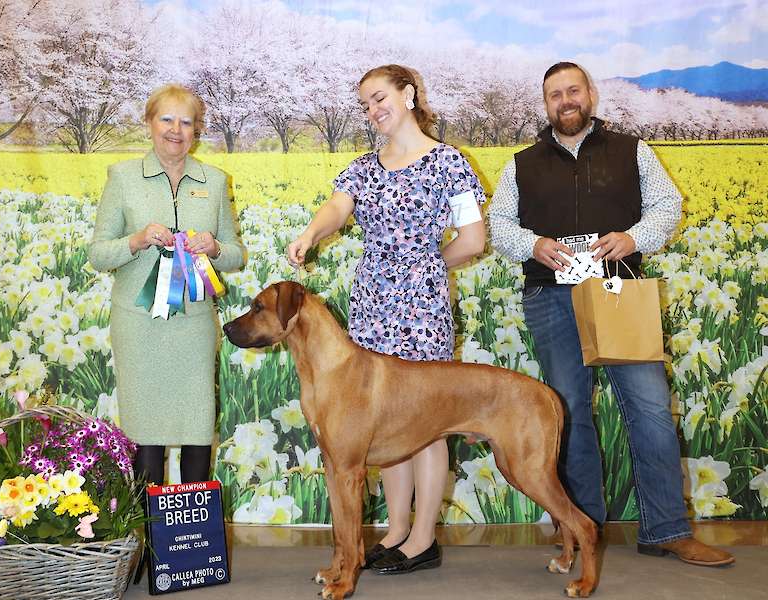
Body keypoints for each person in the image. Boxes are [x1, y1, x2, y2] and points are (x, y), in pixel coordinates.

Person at [489, 62, 734, 566]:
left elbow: (668, 206)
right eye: (555, 94)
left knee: (649, 413)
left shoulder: (632, 150)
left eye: (573, 90)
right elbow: (499, 226)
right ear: (546, 104)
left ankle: (666, 529)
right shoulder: (521, 163)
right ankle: (583, 529)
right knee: (569, 416)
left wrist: (633, 237)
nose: (565, 101)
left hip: (620, 293)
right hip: (550, 299)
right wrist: (533, 244)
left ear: (590, 94)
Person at [287, 64, 486, 574]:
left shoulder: (450, 162)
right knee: (384, 420)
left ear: (408, 93)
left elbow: (474, 240)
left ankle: (423, 539)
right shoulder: (361, 167)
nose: (374, 111)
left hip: (423, 306)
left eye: (380, 98)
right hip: (372, 304)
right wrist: (311, 234)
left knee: (428, 419)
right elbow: (337, 206)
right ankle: (396, 530)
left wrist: (427, 267)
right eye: (366, 105)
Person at [88, 84, 244, 488]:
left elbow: (236, 255)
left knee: (196, 430)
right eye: (167, 119)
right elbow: (98, 254)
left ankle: (192, 547)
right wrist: (136, 240)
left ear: (197, 130)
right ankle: (148, 547)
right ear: (149, 123)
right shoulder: (122, 178)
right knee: (145, 437)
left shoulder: (214, 180)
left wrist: (214, 246)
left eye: (186, 122)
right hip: (138, 326)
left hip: (193, 326)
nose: (176, 130)